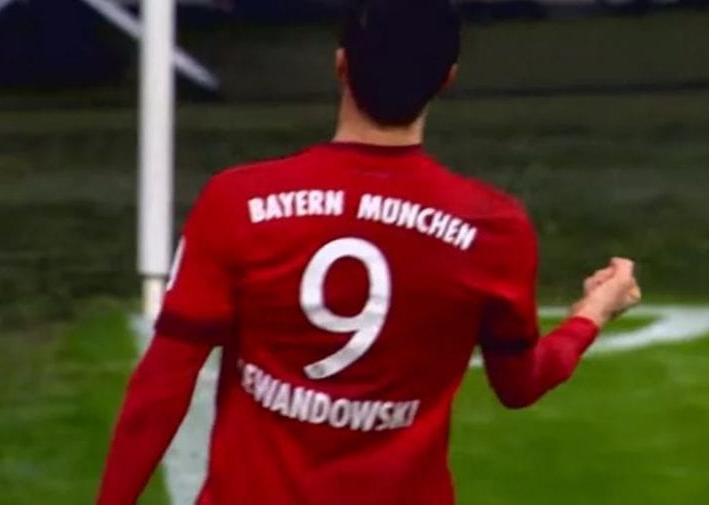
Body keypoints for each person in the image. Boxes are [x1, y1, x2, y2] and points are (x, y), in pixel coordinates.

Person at [96, 1, 641, 504]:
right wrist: (590, 315)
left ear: (341, 65)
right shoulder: (492, 229)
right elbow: (520, 385)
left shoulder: (239, 202)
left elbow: (161, 385)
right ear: (446, 79)